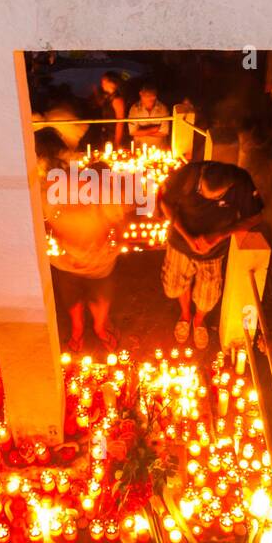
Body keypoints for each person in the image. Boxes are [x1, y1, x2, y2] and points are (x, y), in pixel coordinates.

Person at [159, 161, 265, 349]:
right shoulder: (189, 174)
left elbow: (256, 216)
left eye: (213, 198)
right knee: (175, 285)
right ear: (202, 176)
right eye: (200, 191)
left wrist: (218, 236)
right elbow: (164, 202)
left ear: (227, 190)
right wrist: (188, 237)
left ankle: (199, 321)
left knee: (207, 298)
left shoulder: (241, 182)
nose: (202, 196)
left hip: (213, 251)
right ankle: (185, 315)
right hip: (181, 242)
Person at [44, 160, 126, 353]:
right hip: (66, 265)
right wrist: (65, 251)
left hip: (99, 266)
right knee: (72, 300)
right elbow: (49, 227)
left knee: (100, 302)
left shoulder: (109, 202)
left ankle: (100, 326)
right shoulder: (59, 199)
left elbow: (119, 233)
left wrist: (104, 248)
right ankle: (78, 329)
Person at [127, 82, 171, 149]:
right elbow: (133, 132)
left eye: (152, 96)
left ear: (155, 96)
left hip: (159, 150)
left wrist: (142, 131)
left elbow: (164, 132)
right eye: (147, 96)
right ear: (141, 94)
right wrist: (153, 129)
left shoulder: (163, 109)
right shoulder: (134, 109)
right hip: (139, 149)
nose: (151, 98)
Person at [92, 70, 128, 147]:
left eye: (104, 81)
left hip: (114, 135)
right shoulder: (108, 98)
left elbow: (120, 122)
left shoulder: (117, 100)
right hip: (106, 133)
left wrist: (117, 141)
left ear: (112, 83)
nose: (102, 84)